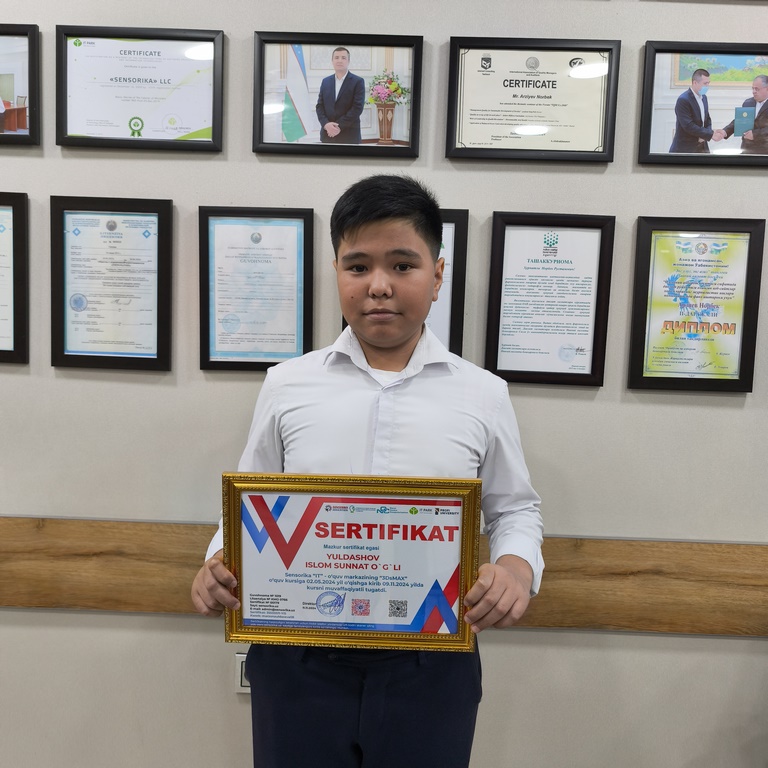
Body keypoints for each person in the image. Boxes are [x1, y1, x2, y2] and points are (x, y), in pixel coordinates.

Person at [191, 175, 544, 768]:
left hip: (432, 663)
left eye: (403, 265)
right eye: (358, 266)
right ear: (336, 272)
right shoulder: (287, 384)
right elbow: (252, 504)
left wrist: (515, 568)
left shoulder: (483, 393)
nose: (379, 285)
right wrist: (218, 562)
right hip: (298, 660)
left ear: (438, 275)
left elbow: (515, 509)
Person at [315, 46, 365, 144]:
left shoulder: (358, 81)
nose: (339, 60)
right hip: (327, 134)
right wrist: (326, 125)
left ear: (348, 61)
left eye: (343, 58)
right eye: (336, 57)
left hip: (349, 136)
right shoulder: (325, 81)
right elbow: (319, 106)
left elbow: (357, 108)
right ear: (332, 61)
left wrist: (337, 127)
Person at [669, 68, 726, 153]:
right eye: (705, 83)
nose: (707, 86)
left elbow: (707, 119)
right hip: (685, 148)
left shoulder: (704, 98)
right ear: (695, 83)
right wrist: (710, 134)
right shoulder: (683, 100)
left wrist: (708, 133)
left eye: (708, 83)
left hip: (702, 147)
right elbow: (688, 125)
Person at [721, 75, 768, 155]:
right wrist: (725, 131)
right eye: (753, 88)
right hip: (747, 149)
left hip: (765, 151)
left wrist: (755, 135)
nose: (754, 91)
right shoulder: (748, 103)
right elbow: (740, 120)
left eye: (757, 89)